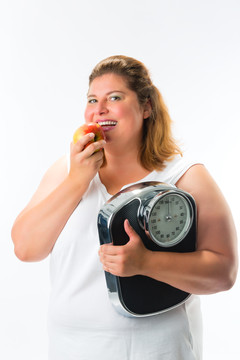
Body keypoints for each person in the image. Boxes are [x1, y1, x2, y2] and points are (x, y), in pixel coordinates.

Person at [11, 55, 238, 360]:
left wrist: (147, 263)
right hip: (72, 348)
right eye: (92, 99)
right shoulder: (67, 171)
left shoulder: (184, 176)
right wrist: (78, 180)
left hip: (158, 349)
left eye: (114, 97)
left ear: (146, 107)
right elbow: (26, 249)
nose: (99, 108)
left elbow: (224, 271)